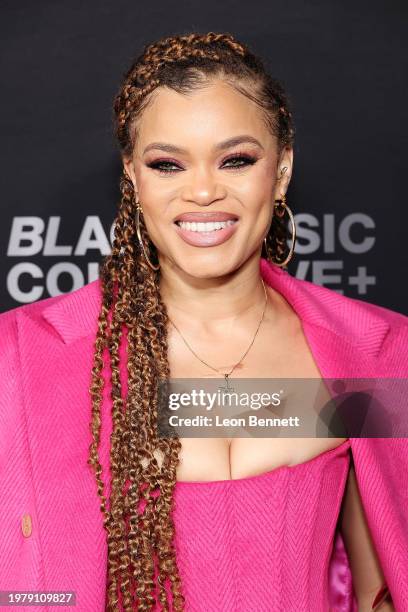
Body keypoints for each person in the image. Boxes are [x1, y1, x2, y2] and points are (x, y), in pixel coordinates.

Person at [0, 31, 406, 612]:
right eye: (167, 164)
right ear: (133, 178)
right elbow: (24, 590)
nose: (203, 191)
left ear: (283, 169)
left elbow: (380, 590)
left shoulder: (370, 354)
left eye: (236, 159)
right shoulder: (22, 357)